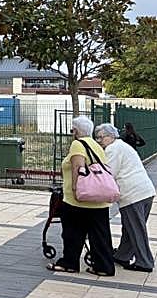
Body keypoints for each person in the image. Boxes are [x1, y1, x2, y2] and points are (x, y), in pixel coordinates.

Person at [47, 115, 116, 276]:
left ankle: (69, 263)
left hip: (79, 200)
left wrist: (76, 190)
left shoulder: (78, 144)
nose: (72, 132)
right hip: (99, 200)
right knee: (100, 234)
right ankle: (104, 267)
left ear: (76, 131)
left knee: (72, 233)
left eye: (72, 130)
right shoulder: (96, 145)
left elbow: (78, 167)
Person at [95, 122, 156, 272]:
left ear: (110, 136)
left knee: (136, 230)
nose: (99, 141)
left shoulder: (113, 149)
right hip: (145, 191)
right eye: (97, 138)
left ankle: (145, 262)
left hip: (132, 194)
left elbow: (109, 172)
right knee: (131, 229)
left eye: (101, 138)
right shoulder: (122, 146)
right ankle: (122, 255)